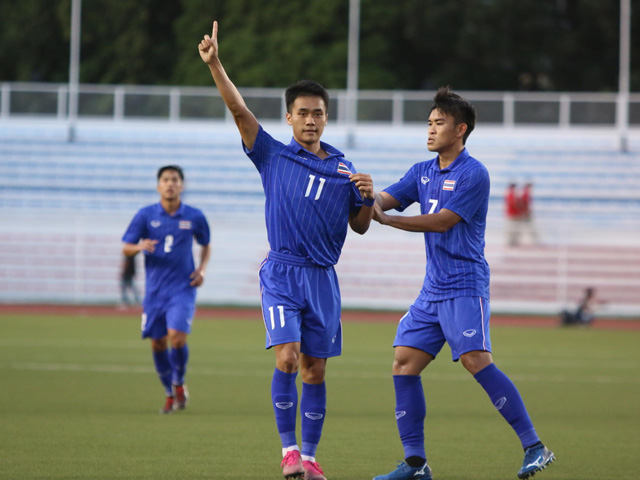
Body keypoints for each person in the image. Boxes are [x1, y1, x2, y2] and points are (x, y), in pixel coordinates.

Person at [199, 21, 375, 480]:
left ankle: (312, 459)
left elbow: (359, 227)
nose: (311, 119)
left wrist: (369, 198)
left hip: (323, 277)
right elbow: (239, 112)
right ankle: (289, 452)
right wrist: (216, 64)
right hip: (282, 272)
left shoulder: (344, 169)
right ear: (289, 118)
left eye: (318, 112)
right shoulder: (273, 155)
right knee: (288, 358)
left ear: (326, 117)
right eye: (303, 112)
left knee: (315, 370)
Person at [371, 87, 555, 480]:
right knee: (404, 363)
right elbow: (382, 201)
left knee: (475, 360)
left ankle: (535, 447)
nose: (431, 129)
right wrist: (358, 195)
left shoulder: (474, 173)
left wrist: (389, 220)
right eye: (429, 122)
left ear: (460, 130)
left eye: (439, 123)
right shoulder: (421, 171)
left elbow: (443, 220)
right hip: (432, 289)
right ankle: (416, 464)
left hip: (465, 284)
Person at [122, 165, 211, 414]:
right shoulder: (145, 215)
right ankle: (169, 393)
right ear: (158, 185)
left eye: (174, 180)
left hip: (182, 288)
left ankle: (178, 382)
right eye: (165, 180)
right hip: (155, 292)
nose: (170, 184)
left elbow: (206, 244)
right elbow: (125, 246)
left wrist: (202, 269)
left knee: (177, 336)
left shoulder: (194, 216)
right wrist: (140, 246)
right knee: (158, 344)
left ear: (181, 185)